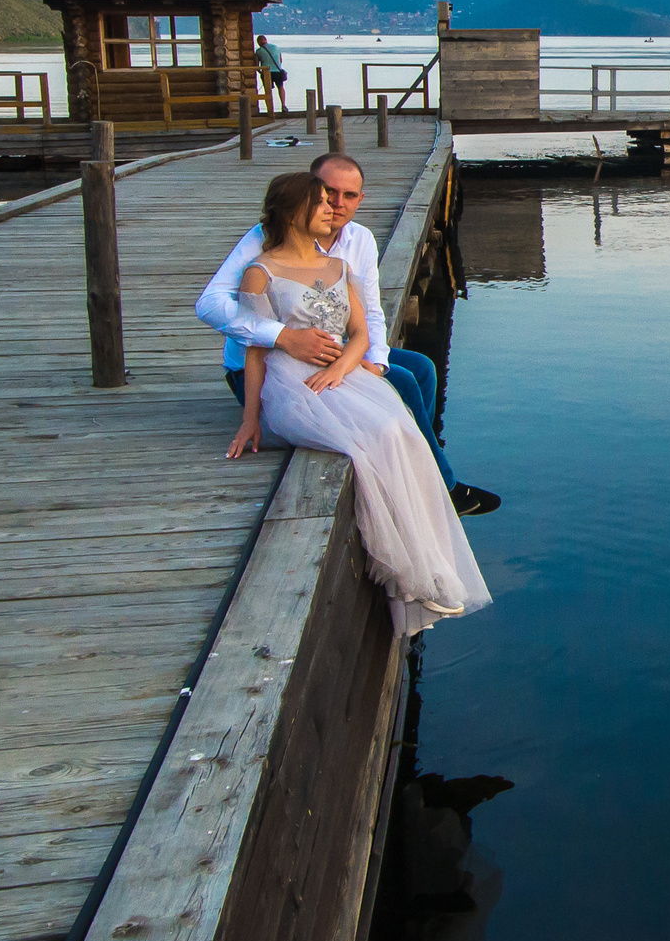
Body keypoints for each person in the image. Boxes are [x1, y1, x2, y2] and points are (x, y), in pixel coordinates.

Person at [224, 172, 490, 634]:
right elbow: (253, 350)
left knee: (402, 431)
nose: (332, 209)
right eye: (321, 202)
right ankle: (409, 575)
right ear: (293, 214)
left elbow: (362, 331)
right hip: (290, 380)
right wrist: (251, 420)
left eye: (337, 200)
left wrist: (343, 368)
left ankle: (433, 569)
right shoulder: (258, 271)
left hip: (338, 369)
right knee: (373, 442)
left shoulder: (339, 264)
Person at [196, 150, 502, 515]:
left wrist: (375, 361)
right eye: (328, 192)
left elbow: (370, 312)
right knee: (402, 382)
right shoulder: (266, 239)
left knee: (419, 368)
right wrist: (282, 336)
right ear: (306, 193)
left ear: (360, 200)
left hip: (331, 350)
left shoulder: (358, 241)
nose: (336, 204)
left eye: (349, 196)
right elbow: (210, 304)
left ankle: (424, 459)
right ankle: (442, 487)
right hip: (266, 369)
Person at [254, 33, 289, 111]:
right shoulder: (276, 47)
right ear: (266, 40)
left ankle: (270, 109)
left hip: (267, 73)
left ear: (258, 42)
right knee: (280, 87)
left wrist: (260, 72)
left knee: (268, 90)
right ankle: (283, 105)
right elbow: (280, 60)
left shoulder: (259, 51)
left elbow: (257, 65)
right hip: (277, 71)